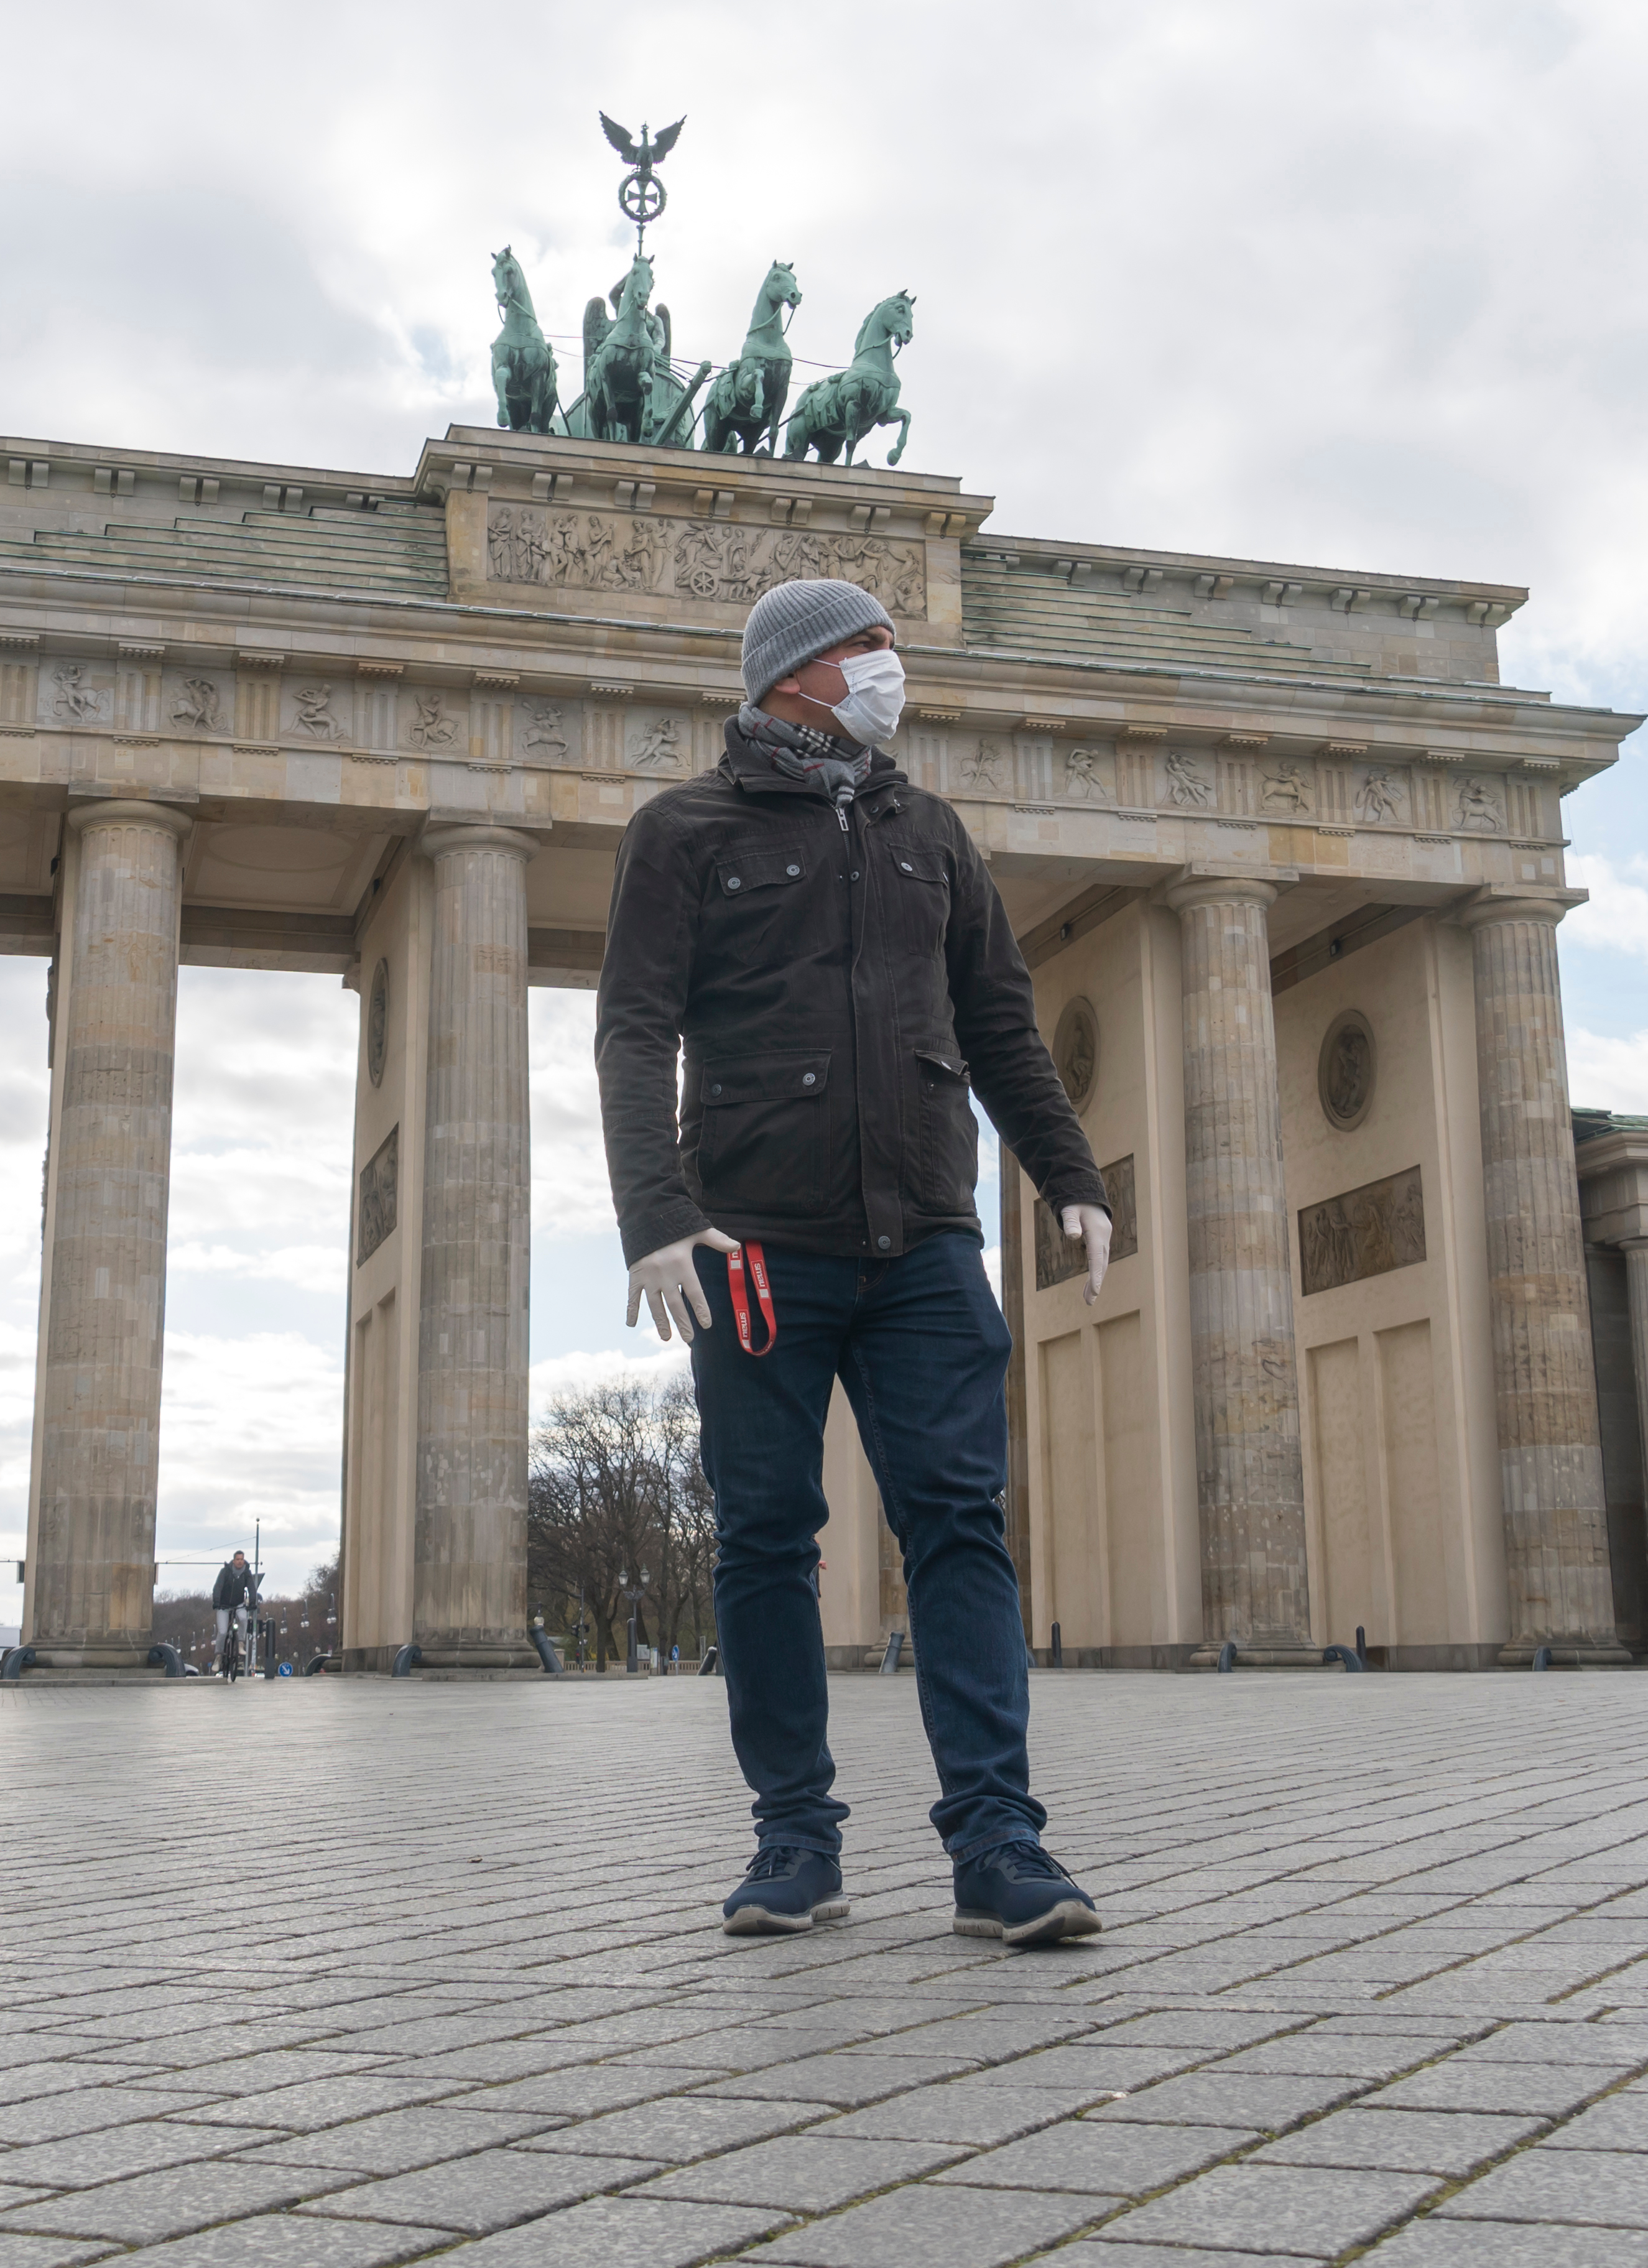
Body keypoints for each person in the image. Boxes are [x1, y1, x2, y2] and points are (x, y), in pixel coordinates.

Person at [596, 578, 1118, 1947]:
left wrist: (1071, 1175)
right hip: (756, 1242)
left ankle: (999, 1839)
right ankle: (794, 1836)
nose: (894, 666)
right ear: (798, 671)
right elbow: (635, 1028)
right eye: (870, 646)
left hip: (929, 1236)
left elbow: (1000, 1024)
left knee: (962, 1521)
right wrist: (655, 1208)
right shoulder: (683, 831)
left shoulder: (929, 832)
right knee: (766, 1537)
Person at [211, 1552, 259, 1669]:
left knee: (243, 1619)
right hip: (223, 1605)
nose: (240, 1561)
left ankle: (240, 1644)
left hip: (239, 1604)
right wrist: (216, 1601)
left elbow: (252, 1588)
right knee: (222, 1632)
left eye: (242, 1559)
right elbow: (218, 1587)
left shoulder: (246, 1573)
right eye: (238, 1559)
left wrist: (253, 1602)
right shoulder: (225, 1572)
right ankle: (218, 1658)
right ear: (234, 1561)